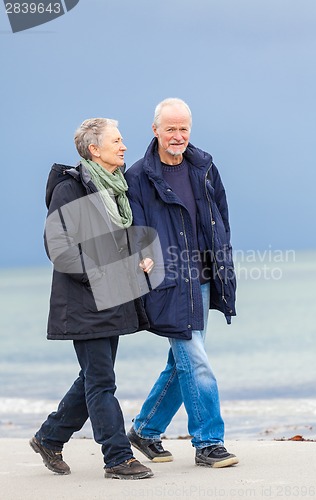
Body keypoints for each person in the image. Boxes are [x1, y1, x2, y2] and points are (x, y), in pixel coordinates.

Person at [30, 118, 153, 480]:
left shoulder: (115, 189)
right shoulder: (72, 189)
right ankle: (117, 458)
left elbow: (112, 242)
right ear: (94, 149)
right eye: (117, 140)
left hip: (112, 297)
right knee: (101, 381)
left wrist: (138, 257)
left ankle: (49, 437)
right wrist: (101, 274)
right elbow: (59, 249)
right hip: (84, 299)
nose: (125, 146)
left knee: (92, 377)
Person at [124, 98, 238, 468]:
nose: (177, 136)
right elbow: (136, 229)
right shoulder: (139, 176)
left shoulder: (204, 167)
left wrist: (224, 257)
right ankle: (209, 442)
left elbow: (221, 215)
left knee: (183, 362)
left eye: (183, 128)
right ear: (155, 129)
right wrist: (145, 258)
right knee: (196, 361)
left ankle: (145, 429)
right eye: (170, 129)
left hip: (205, 278)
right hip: (170, 281)